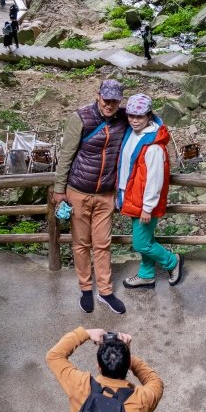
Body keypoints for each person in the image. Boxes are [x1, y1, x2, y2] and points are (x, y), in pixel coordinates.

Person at [52, 79, 129, 315]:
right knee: (81, 244)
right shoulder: (81, 117)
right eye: (106, 100)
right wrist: (59, 190)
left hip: (106, 194)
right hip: (79, 192)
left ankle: (105, 291)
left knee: (103, 244)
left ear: (120, 101)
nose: (109, 105)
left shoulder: (124, 118)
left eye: (115, 101)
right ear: (98, 96)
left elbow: (148, 119)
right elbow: (66, 155)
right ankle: (85, 288)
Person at [117, 94, 183, 291]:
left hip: (144, 202)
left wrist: (147, 207)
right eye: (131, 116)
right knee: (146, 239)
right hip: (133, 197)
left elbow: (155, 180)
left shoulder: (153, 146)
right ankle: (146, 275)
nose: (134, 120)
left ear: (149, 116)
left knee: (141, 244)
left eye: (139, 116)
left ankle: (172, 261)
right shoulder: (133, 134)